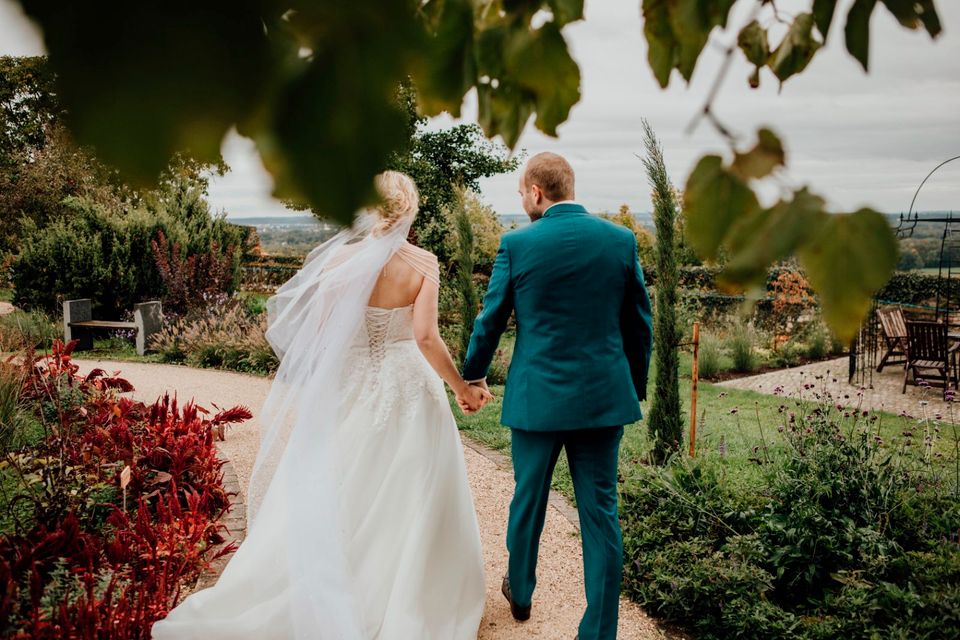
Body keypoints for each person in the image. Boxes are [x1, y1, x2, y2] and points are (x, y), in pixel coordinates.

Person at [152, 171, 491, 639]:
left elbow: (323, 336)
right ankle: (410, 594)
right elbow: (426, 338)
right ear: (410, 211)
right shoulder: (423, 263)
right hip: (406, 384)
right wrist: (460, 387)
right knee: (413, 486)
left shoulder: (338, 263)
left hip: (351, 385)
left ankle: (333, 586)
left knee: (340, 482)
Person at [460, 152, 653, 640]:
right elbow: (640, 324)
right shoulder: (621, 241)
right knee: (600, 513)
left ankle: (520, 592)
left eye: (520, 191)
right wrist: (633, 384)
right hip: (603, 400)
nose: (521, 199)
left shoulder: (517, 245)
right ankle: (598, 632)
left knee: (528, 499)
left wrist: (474, 377)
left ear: (536, 192)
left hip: (537, 399)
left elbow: (490, 320)